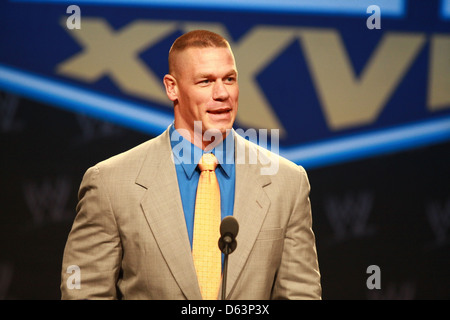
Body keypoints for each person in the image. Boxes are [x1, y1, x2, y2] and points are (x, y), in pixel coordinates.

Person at [60, 30, 322, 300]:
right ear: (172, 87)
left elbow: (300, 293)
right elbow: (84, 293)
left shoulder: (286, 182)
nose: (222, 93)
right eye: (206, 81)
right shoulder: (110, 183)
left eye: (229, 79)